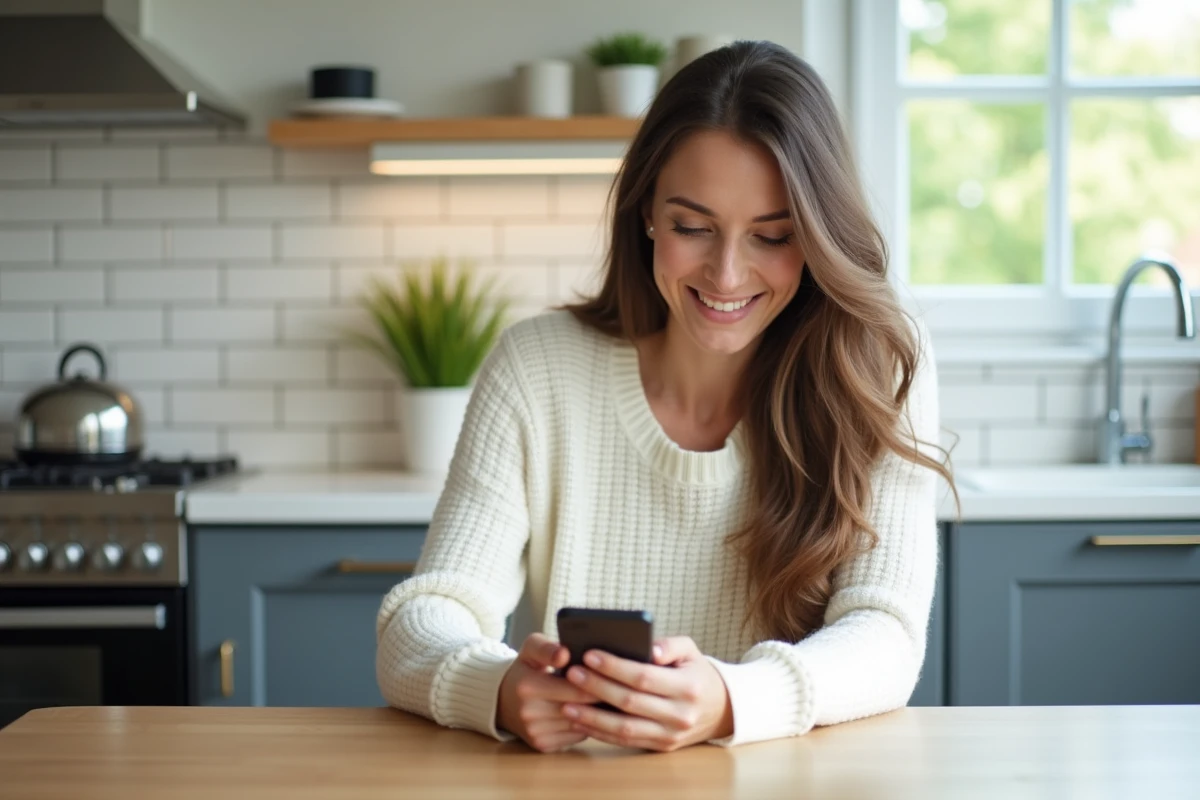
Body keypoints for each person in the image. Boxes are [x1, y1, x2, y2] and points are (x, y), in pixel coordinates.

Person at [376, 39, 954, 753]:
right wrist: (494, 687)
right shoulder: (537, 368)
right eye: (692, 228)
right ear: (647, 210)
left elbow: (887, 638)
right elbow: (423, 618)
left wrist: (730, 700)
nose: (727, 274)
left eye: (772, 237)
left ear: (816, 237)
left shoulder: (878, 367)